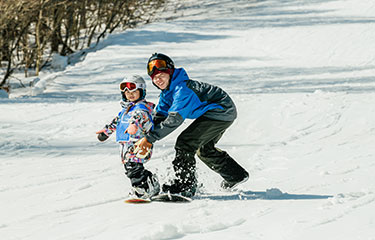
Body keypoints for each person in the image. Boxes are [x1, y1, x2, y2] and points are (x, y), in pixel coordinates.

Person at [134, 53, 249, 197]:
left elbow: (174, 120)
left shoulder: (182, 90)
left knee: (185, 142)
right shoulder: (167, 92)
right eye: (154, 77)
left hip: (221, 111)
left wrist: (150, 138)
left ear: (170, 72)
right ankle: (235, 175)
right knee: (204, 149)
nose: (158, 79)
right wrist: (144, 135)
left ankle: (185, 186)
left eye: (162, 75)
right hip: (217, 112)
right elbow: (160, 116)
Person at [96, 75, 160, 198]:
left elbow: (139, 117)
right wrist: (105, 132)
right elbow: (116, 122)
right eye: (126, 92)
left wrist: (134, 125)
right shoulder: (125, 110)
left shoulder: (141, 108)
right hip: (127, 144)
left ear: (141, 92)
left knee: (133, 167)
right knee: (131, 167)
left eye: (134, 91)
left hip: (139, 143)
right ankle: (150, 183)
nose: (130, 94)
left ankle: (142, 189)